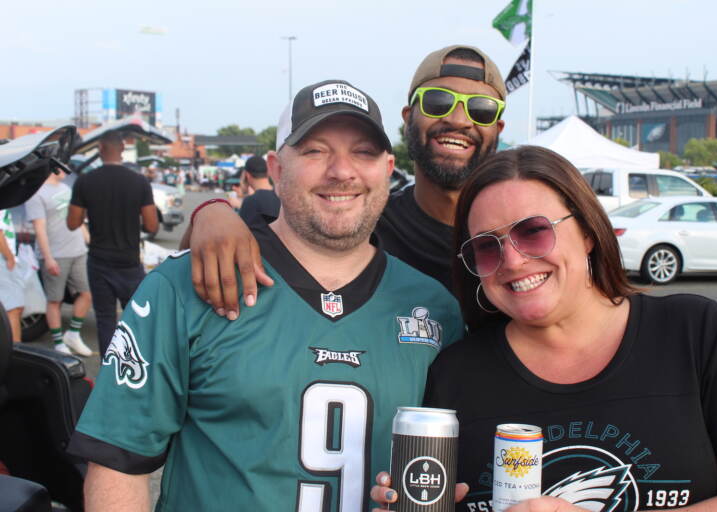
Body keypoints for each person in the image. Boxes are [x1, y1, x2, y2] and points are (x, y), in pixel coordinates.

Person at [67, 79, 463, 511]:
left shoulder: (434, 307)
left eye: (363, 152)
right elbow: (118, 465)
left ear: (388, 168)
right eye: (315, 150)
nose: (342, 170)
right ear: (275, 169)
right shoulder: (183, 286)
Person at [372, 146, 717, 511]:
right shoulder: (454, 374)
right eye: (488, 246)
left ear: (588, 233)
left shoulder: (693, 332)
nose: (512, 260)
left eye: (533, 231)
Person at [183, 44, 506, 318]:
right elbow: (240, 248)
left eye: (482, 110)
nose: (458, 119)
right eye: (439, 102)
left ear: (499, 129)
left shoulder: (518, 234)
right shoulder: (361, 221)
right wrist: (210, 213)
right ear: (408, 118)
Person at [67, 131, 158, 356]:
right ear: (122, 149)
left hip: (99, 261)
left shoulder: (85, 181)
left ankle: (109, 376)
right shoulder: (139, 181)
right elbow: (152, 226)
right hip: (129, 261)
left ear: (100, 149)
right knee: (138, 318)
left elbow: (72, 222)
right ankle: (141, 371)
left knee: (105, 320)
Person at [25, 170, 94, 356]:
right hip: (56, 254)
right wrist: (47, 258)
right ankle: (58, 342)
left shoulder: (66, 188)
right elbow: (39, 229)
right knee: (55, 300)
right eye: (62, 167)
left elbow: (77, 219)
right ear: (52, 169)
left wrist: (88, 241)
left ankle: (73, 334)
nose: (66, 170)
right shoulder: (36, 194)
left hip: (78, 251)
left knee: (87, 294)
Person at [0, 208, 25, 343]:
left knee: (13, 307)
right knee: (13, 309)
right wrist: (9, 257)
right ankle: (14, 350)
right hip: (3, 259)